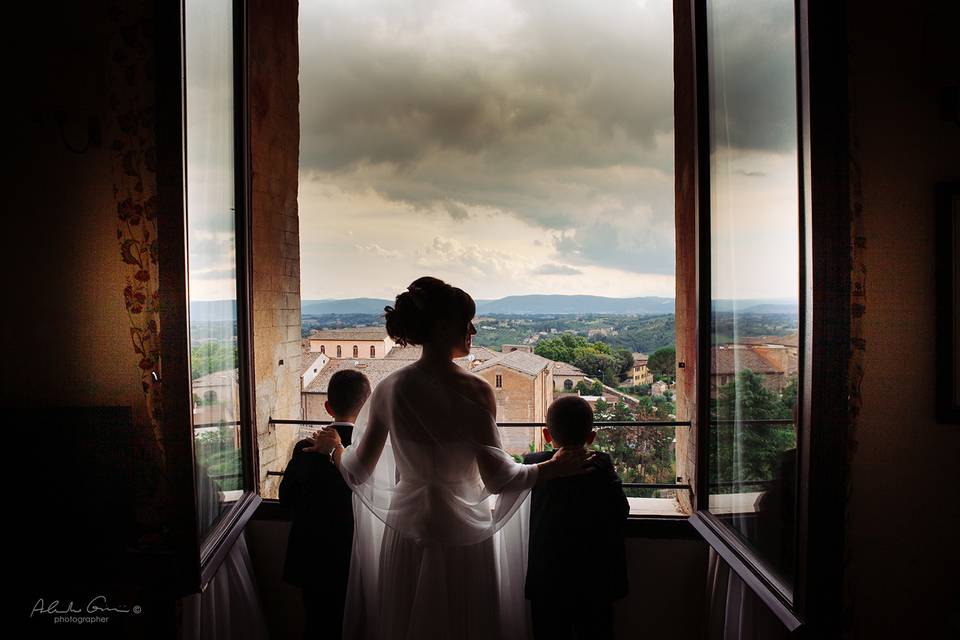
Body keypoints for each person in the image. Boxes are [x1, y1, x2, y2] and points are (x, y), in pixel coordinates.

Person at [308, 276, 593, 640]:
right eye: (466, 321)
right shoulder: (476, 390)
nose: (473, 329)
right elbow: (498, 478)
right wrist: (552, 467)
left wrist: (335, 447)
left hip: (407, 531)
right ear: (443, 326)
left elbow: (359, 471)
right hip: (463, 534)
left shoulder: (388, 388)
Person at [523, 395, 629, 640]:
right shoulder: (602, 466)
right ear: (591, 438)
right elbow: (621, 511)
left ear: (546, 435)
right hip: (596, 580)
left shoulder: (535, 464)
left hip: (548, 578)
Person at [280, 369, 371, 640]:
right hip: (356, 554)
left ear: (328, 407)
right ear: (366, 406)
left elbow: (287, 500)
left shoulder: (305, 448)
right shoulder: (370, 451)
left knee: (317, 622)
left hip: (312, 556)